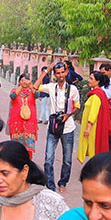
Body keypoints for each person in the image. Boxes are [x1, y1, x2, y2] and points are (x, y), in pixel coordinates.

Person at [34, 61, 80, 193]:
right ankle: (50, 186)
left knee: (67, 160)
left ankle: (63, 182)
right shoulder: (50, 87)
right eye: (57, 73)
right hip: (53, 127)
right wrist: (47, 70)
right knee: (48, 159)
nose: (60, 75)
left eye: (62, 72)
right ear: (54, 74)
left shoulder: (73, 89)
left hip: (68, 128)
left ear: (66, 72)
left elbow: (77, 106)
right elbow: (35, 87)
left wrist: (68, 115)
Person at [77, 71, 111, 163]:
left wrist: (88, 127)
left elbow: (94, 112)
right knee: (92, 147)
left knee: (93, 147)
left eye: (91, 79)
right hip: (94, 126)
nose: (89, 80)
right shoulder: (98, 93)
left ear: (98, 81)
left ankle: (94, 169)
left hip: (93, 128)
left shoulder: (96, 95)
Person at [8, 74, 39, 158]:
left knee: (29, 147)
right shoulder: (15, 90)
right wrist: (21, 86)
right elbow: (12, 96)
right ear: (19, 81)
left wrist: (30, 85)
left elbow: (37, 95)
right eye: (22, 80)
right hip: (17, 123)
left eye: (26, 80)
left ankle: (28, 163)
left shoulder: (32, 91)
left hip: (30, 123)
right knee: (17, 146)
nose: (24, 82)